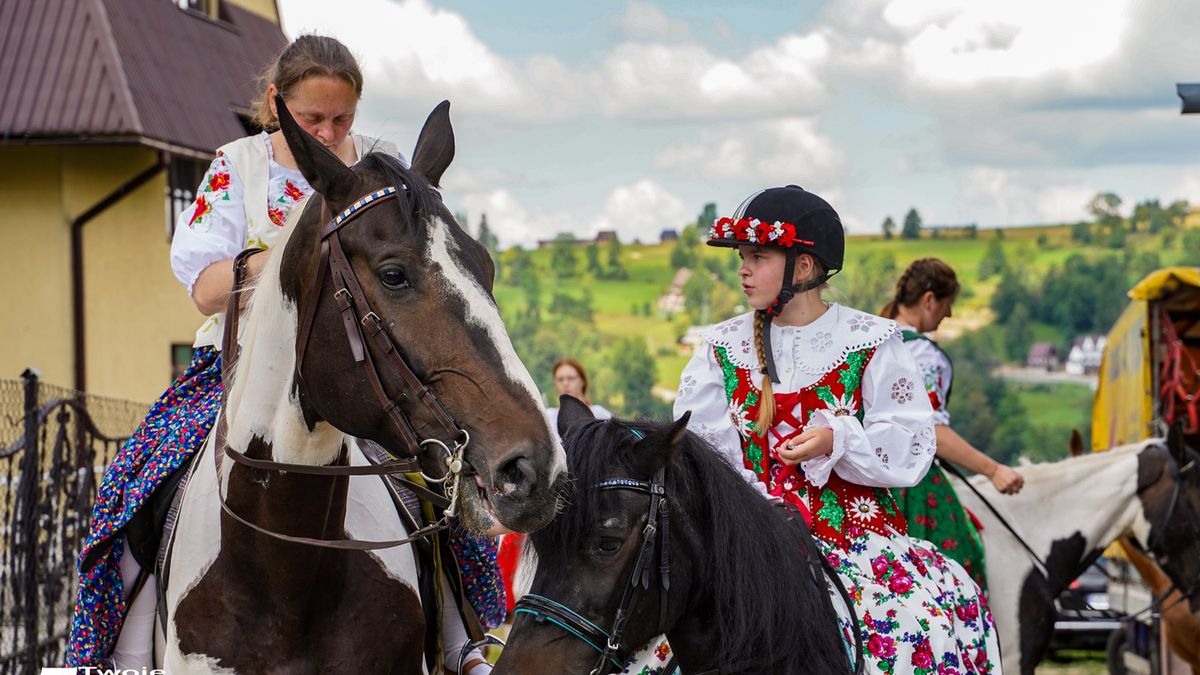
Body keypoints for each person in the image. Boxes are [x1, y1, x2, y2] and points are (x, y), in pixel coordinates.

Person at [66, 35, 495, 674]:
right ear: (276, 103)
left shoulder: (380, 166)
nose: (328, 133)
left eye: (341, 118)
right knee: (138, 481)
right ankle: (119, 655)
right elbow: (206, 289)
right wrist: (297, 261)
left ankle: (464, 640)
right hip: (239, 373)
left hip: (360, 371)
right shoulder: (237, 166)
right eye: (312, 118)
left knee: (435, 474)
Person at [674, 186, 1000, 674]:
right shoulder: (720, 347)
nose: (742, 269)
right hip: (745, 546)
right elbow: (699, 453)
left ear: (803, 268)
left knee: (918, 623)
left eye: (757, 256)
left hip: (854, 539)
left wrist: (839, 439)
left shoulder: (871, 340)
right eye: (742, 257)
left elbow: (910, 444)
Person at [881, 257, 1024, 590]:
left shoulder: (873, 338)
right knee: (960, 559)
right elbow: (930, 431)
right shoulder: (923, 354)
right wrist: (993, 470)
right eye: (947, 305)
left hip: (862, 476)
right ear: (929, 300)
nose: (950, 315)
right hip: (909, 485)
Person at [544, 357, 612, 430]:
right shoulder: (548, 417)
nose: (565, 383)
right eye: (560, 380)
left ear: (582, 381)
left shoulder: (599, 415)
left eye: (571, 378)